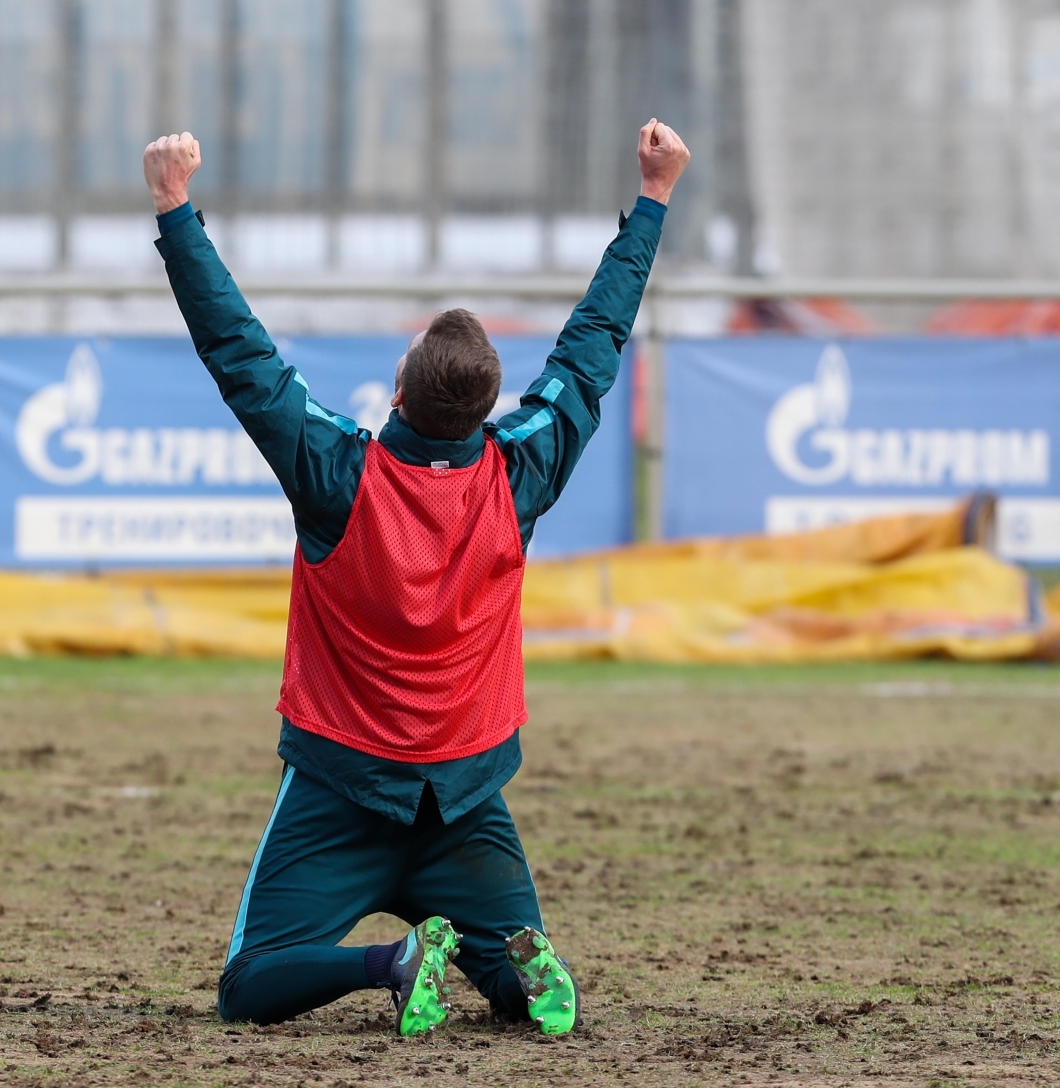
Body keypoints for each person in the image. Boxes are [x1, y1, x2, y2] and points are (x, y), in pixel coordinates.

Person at [142, 119, 689, 1036]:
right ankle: (517, 966)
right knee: (519, 999)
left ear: (398, 391)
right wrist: (654, 200)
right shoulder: (521, 474)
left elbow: (240, 355)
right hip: (466, 798)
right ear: (487, 407)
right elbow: (594, 347)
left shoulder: (337, 474)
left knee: (250, 985)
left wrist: (175, 210)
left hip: (340, 789)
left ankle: (392, 962)